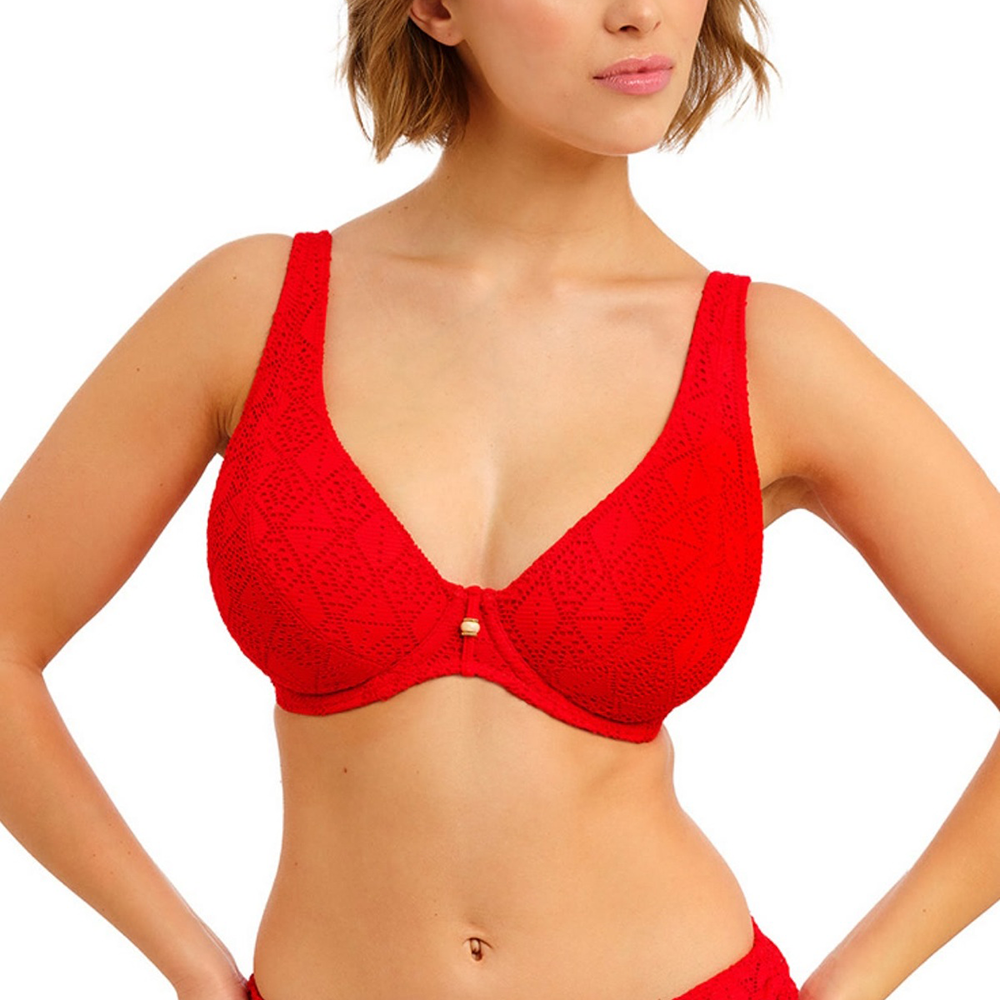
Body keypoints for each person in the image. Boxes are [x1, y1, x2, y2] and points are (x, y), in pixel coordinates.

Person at [1, 1, 999, 999]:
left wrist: (851, 987)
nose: (639, 14)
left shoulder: (767, 356)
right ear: (438, 8)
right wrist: (192, 969)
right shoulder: (252, 310)